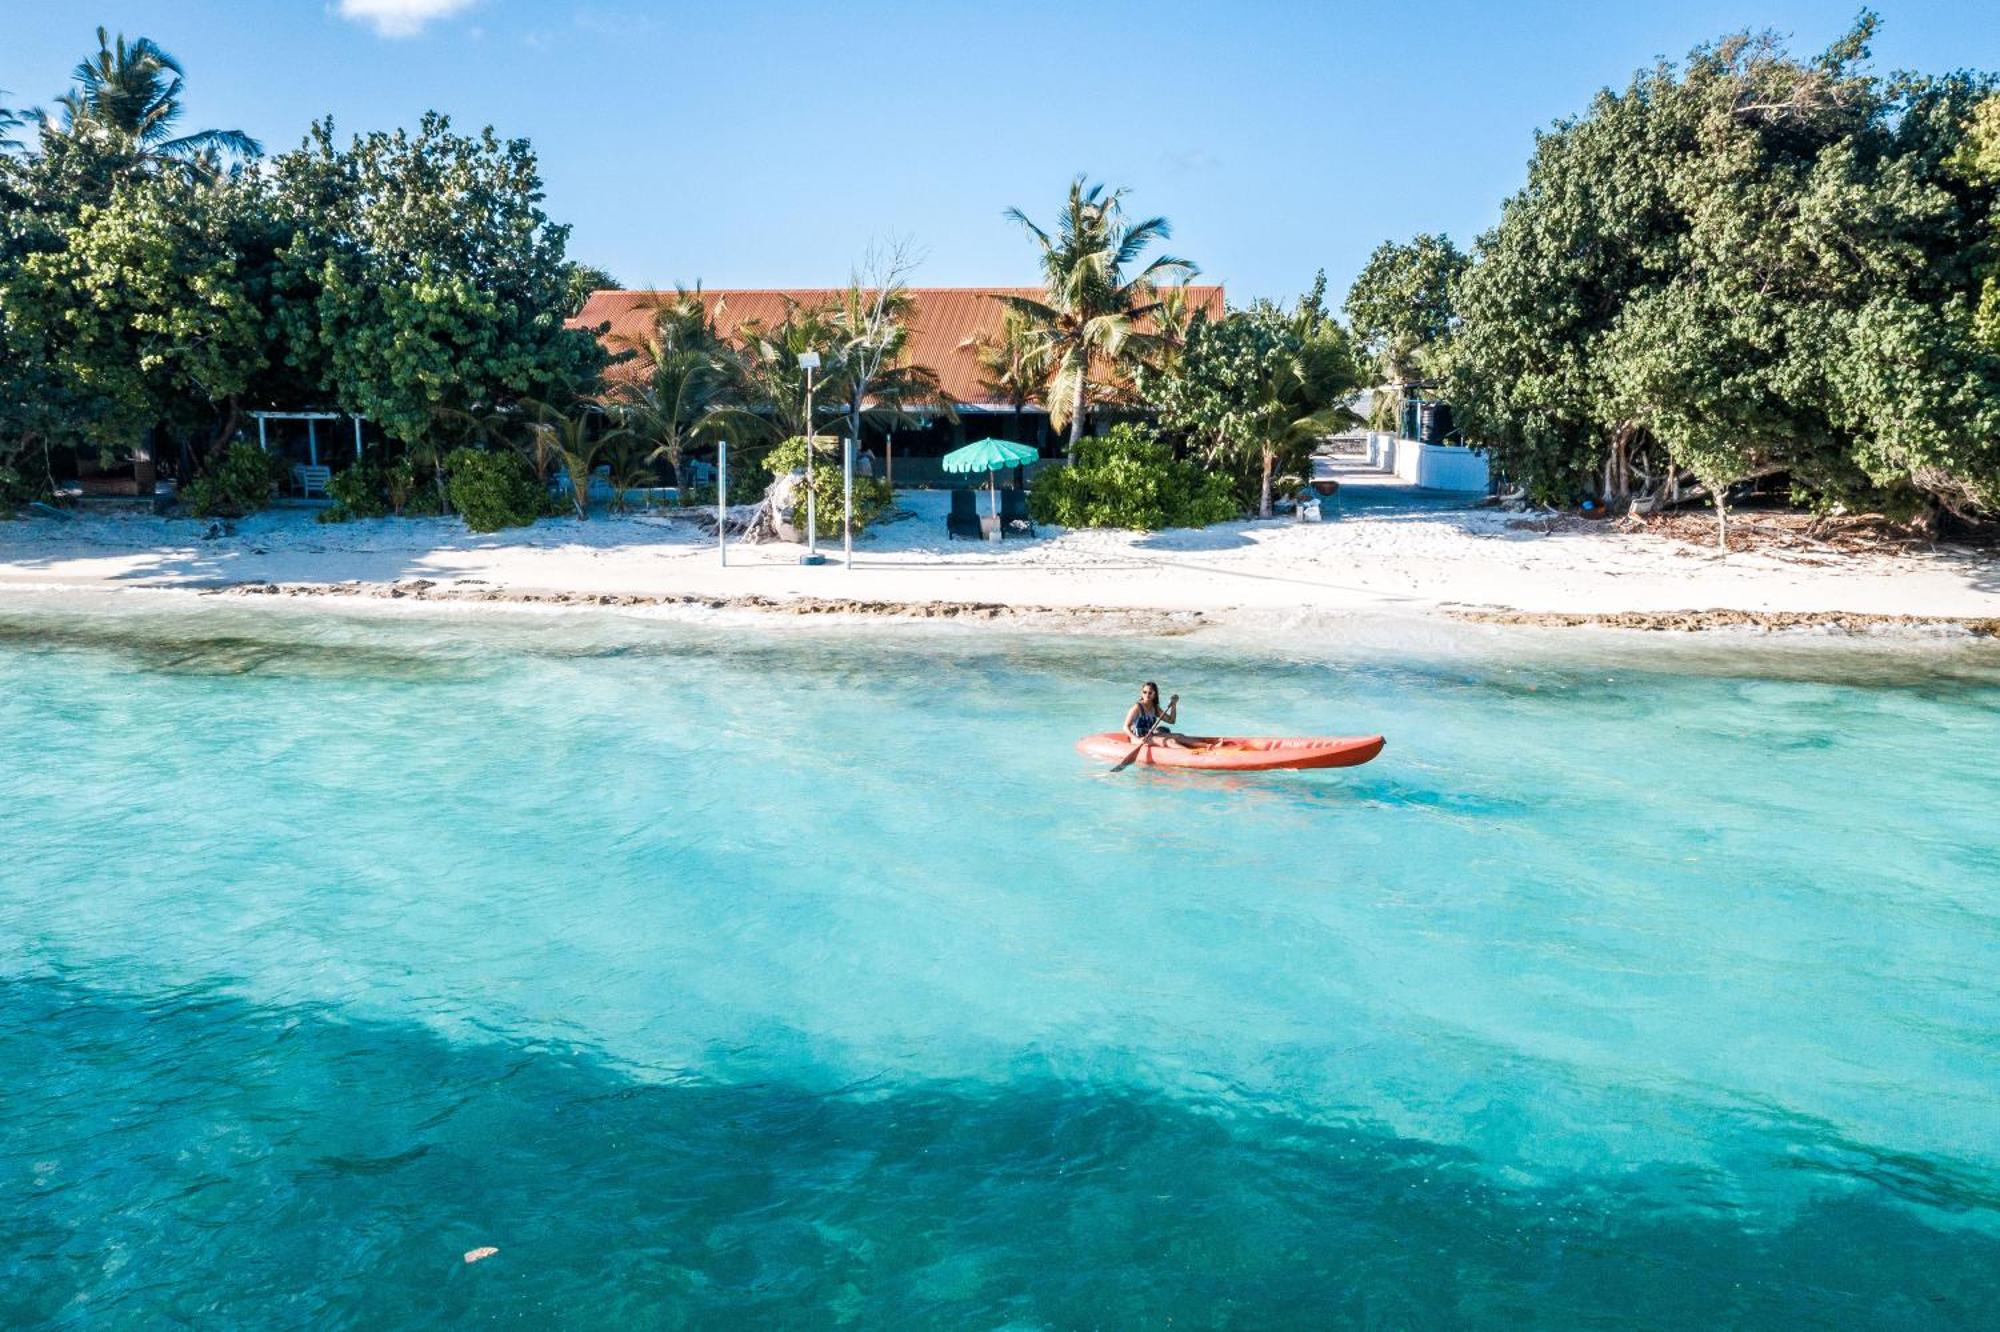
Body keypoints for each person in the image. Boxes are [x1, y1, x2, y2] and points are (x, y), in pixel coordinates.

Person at [1123, 681, 1197, 750]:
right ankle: (1191, 753)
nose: (1147, 695)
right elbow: (1125, 727)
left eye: (1150, 693)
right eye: (1144, 692)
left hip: (1150, 736)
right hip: (1138, 738)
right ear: (1141, 693)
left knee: (1180, 736)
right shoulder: (1137, 708)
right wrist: (1136, 739)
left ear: (1155, 694)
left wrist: (1174, 705)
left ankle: (1207, 746)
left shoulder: (1155, 708)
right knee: (1169, 741)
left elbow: (1171, 720)